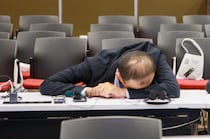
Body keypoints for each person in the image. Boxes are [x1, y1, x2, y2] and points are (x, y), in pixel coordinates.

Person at [40, 41, 180, 99]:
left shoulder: (155, 57)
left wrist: (123, 92)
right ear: (119, 76)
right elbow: (48, 85)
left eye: (147, 84)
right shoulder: (96, 65)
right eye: (135, 87)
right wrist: (88, 91)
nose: (144, 88)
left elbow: (173, 89)